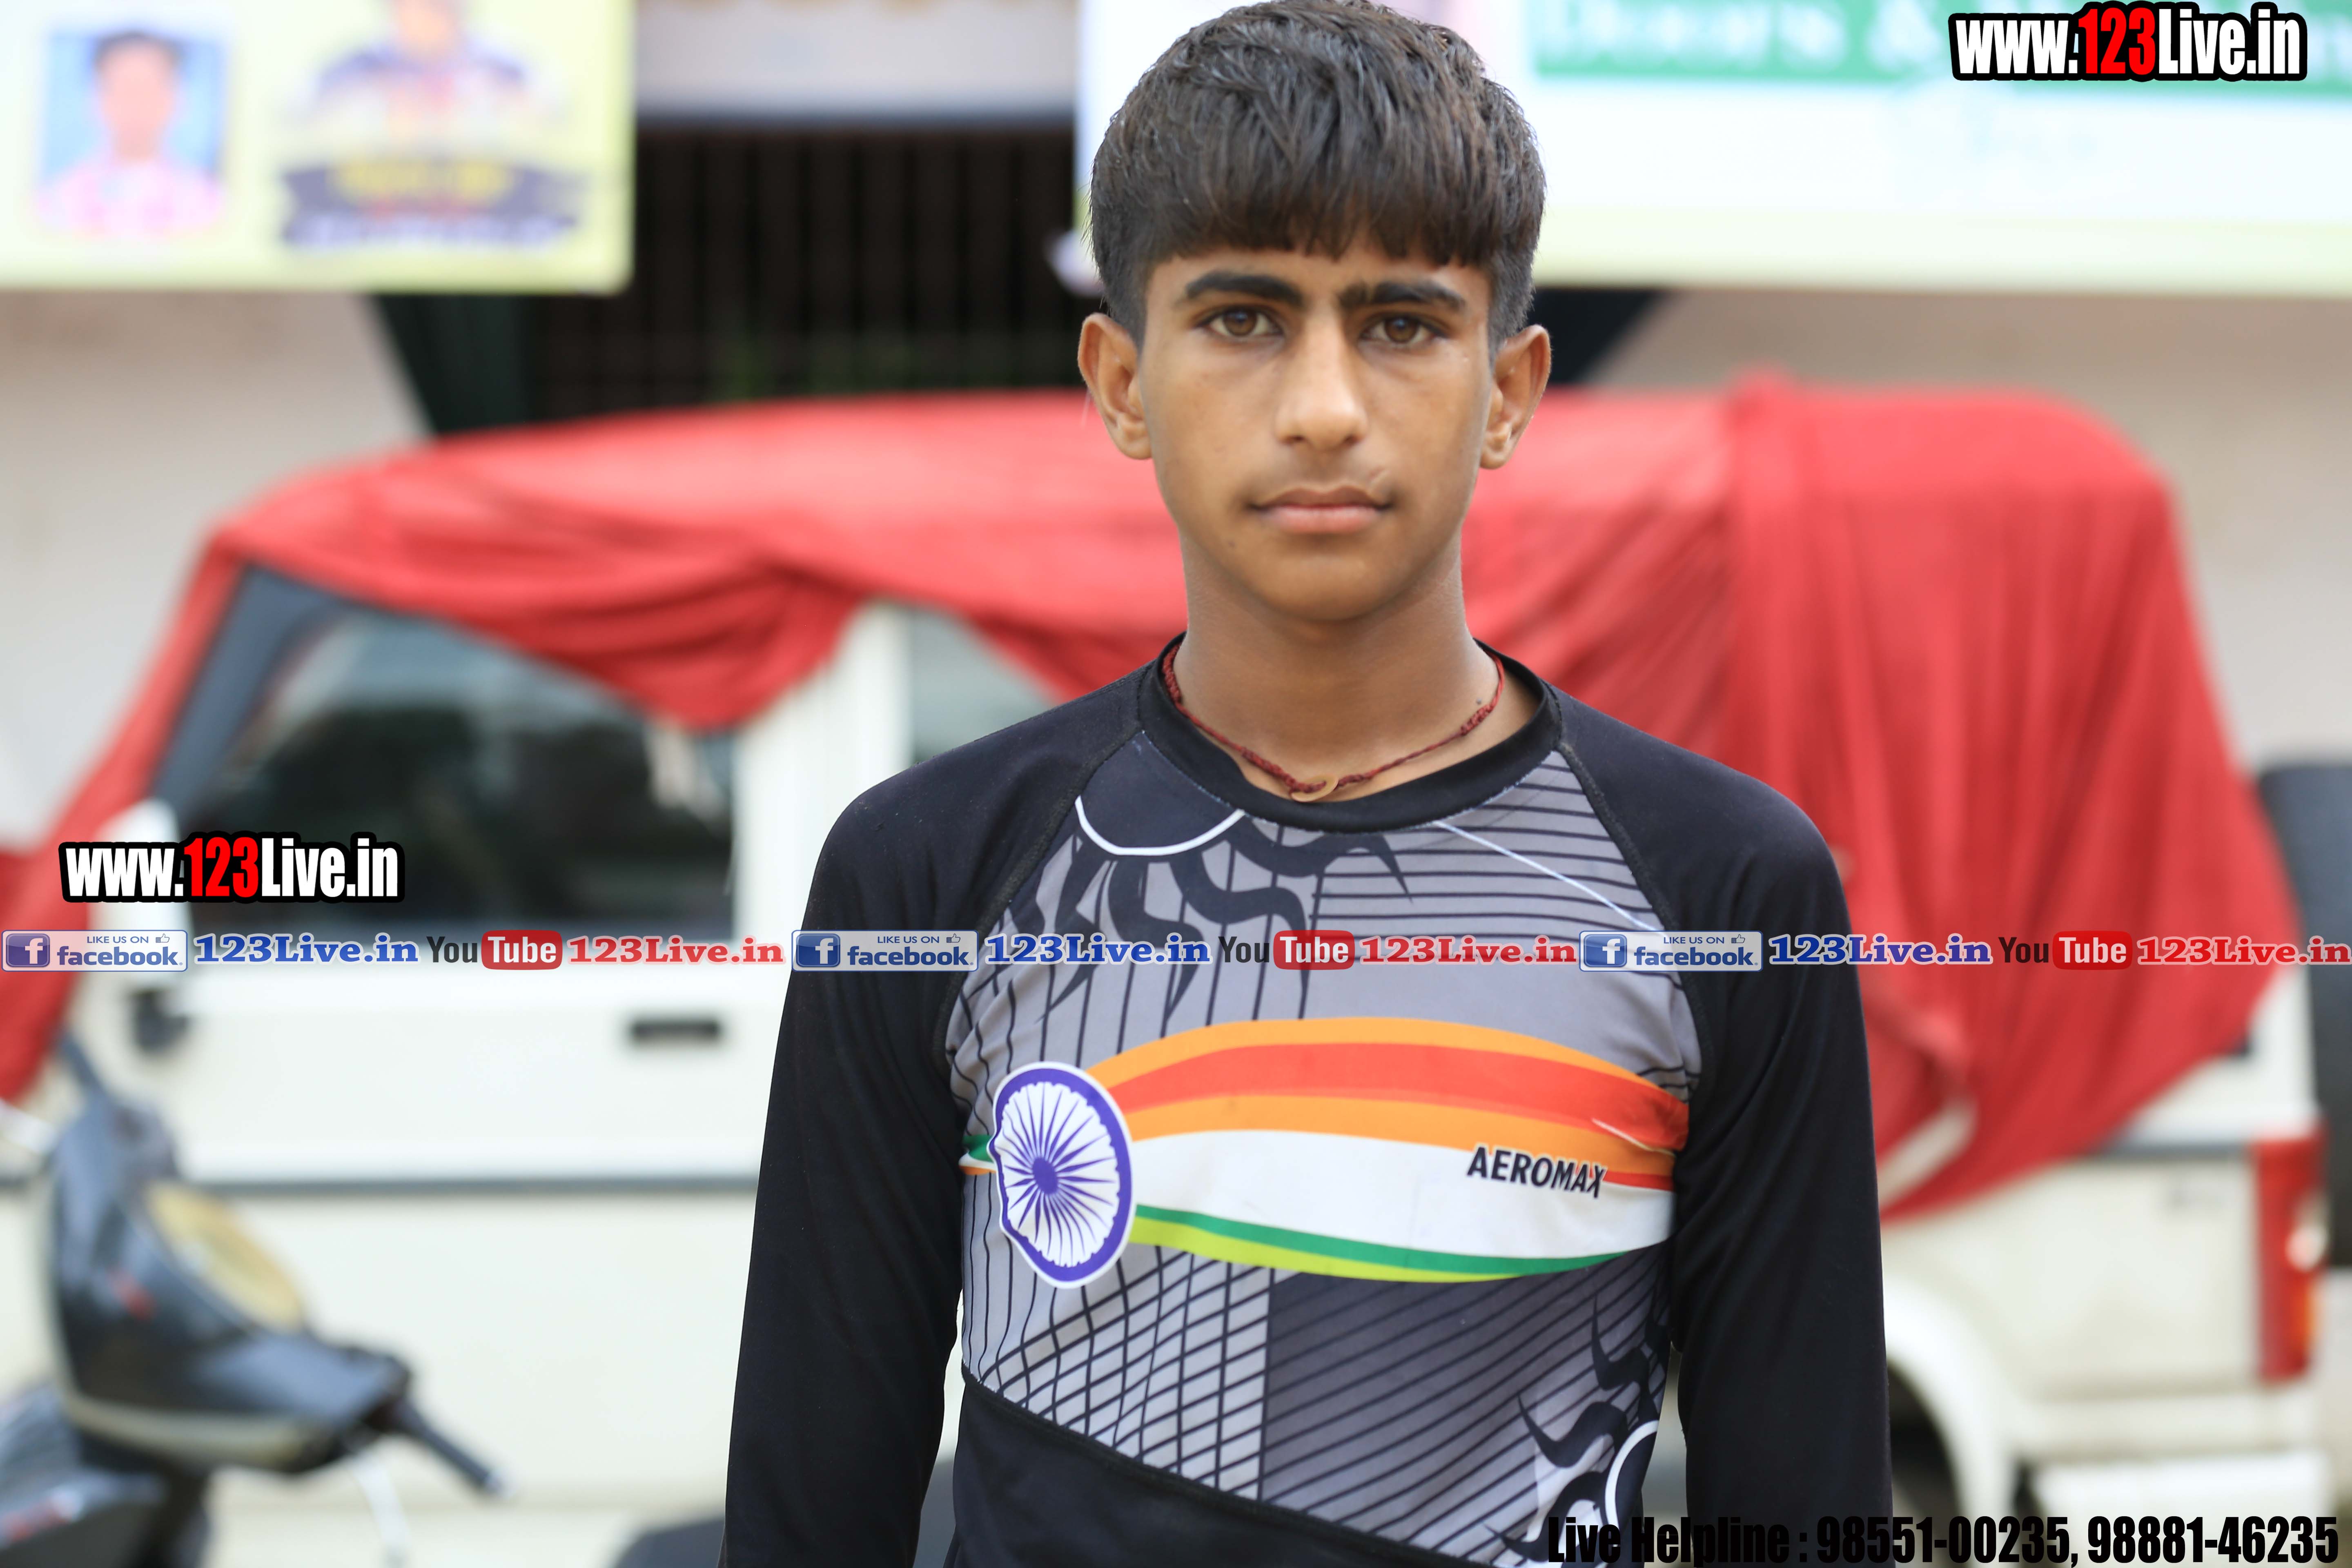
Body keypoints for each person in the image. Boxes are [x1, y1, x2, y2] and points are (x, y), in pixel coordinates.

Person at [722, 3, 1890, 1562]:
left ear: (1508, 390)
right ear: (1121, 381)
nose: (1326, 406)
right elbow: (807, 1519)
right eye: (1243, 318)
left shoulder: (1723, 890)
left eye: (1400, 324)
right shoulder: (930, 873)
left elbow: (1805, 1513)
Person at [40, 30, 220, 239]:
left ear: (176, 98)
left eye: (148, 90)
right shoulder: (56, 203)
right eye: (124, 89)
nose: (136, 105)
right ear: (96, 97)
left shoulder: (208, 204)